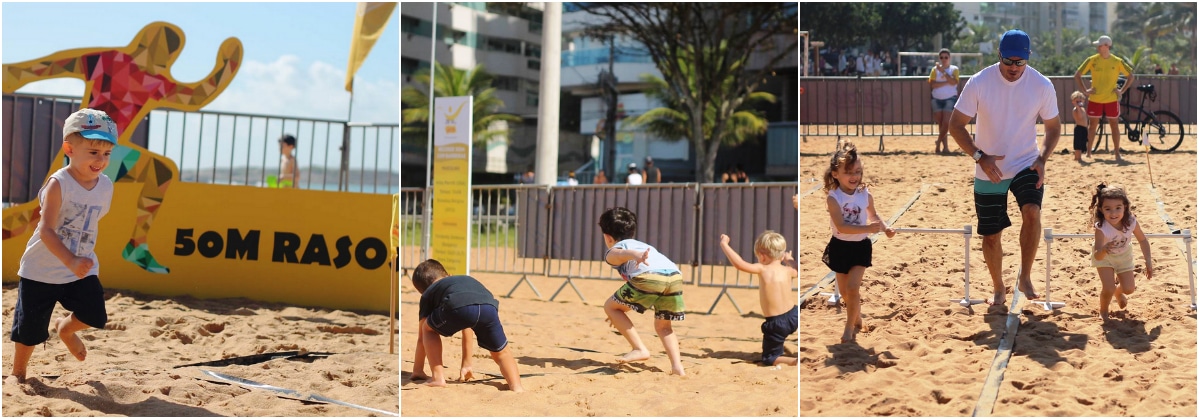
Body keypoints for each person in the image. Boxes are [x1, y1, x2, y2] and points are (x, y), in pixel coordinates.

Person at [2, 22, 243, 274]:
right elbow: (59, 65)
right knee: (37, 217)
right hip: (86, 151)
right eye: (165, 54)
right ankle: (136, 246)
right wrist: (18, 73)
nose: (164, 60)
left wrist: (226, 68)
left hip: (108, 155)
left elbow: (195, 97)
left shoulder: (149, 79)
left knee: (159, 174)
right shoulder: (112, 62)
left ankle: (137, 245)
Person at [949, 29, 1061, 308]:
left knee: (1032, 212)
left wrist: (1042, 159)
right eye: (1008, 61)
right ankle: (998, 288)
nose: (1013, 68)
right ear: (998, 55)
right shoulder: (980, 82)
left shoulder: (1041, 85)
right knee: (991, 234)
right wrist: (979, 156)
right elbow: (955, 125)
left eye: (1019, 62)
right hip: (989, 167)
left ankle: (1025, 276)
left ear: (1028, 58)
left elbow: (1053, 127)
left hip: (1026, 161)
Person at [9, 109, 118, 384]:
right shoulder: (59, 183)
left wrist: (76, 261)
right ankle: (18, 374)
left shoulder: (105, 186)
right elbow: (45, 230)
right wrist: (69, 259)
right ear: (69, 148)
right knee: (29, 330)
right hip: (40, 270)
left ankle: (65, 330)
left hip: (79, 268)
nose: (100, 160)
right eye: (93, 151)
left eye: (106, 154)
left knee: (95, 314)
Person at [409, 259, 524, 392]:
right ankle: (516, 386)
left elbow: (421, 338)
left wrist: (417, 370)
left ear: (423, 291)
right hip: (489, 306)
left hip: (457, 306)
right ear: (448, 275)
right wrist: (466, 364)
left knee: (427, 329)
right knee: (502, 352)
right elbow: (467, 325)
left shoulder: (428, 294)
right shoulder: (463, 280)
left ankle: (438, 378)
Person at [599, 206, 686, 375]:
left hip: (649, 277)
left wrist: (633, 255)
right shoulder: (644, 245)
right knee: (664, 327)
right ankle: (677, 367)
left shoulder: (615, 250)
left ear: (608, 237)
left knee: (610, 307)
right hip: (674, 276)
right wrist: (621, 310)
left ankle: (639, 349)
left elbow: (618, 254)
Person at [822, 141, 894, 343]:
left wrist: (886, 227)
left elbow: (873, 215)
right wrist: (868, 228)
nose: (854, 177)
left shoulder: (864, 194)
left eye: (858, 172)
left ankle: (848, 327)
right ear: (835, 174)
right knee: (845, 292)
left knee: (853, 288)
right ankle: (857, 316)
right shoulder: (833, 197)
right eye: (849, 172)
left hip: (860, 246)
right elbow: (842, 226)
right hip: (840, 246)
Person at [718, 231, 798, 366]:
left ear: (762, 256)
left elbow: (739, 264)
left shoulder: (762, 269)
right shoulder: (788, 270)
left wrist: (724, 244)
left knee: (770, 358)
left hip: (776, 323)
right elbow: (796, 268)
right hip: (794, 315)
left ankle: (796, 361)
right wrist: (788, 259)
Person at [1087, 184, 1152, 322]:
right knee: (1108, 287)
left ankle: (1118, 292)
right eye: (1108, 209)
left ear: (1125, 207)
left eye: (1118, 208)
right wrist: (1104, 249)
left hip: (1124, 255)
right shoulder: (1101, 227)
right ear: (1101, 210)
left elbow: (1143, 240)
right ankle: (1104, 311)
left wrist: (1148, 260)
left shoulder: (1131, 222)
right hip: (1105, 257)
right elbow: (1097, 255)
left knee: (1129, 289)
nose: (1113, 213)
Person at [1074, 35, 1134, 162]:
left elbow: (1131, 76)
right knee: (1092, 127)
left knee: (1114, 126)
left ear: (1107, 46)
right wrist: (1085, 91)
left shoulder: (1117, 61)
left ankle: (1117, 153)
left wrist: (1121, 91)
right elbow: (1077, 75)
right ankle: (1089, 152)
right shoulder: (1091, 60)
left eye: (1099, 45)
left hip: (1111, 99)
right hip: (1095, 99)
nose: (1097, 47)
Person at [928, 48, 961, 154]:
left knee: (946, 123)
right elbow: (932, 84)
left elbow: (954, 82)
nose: (944, 59)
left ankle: (938, 142)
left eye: (946, 57)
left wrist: (943, 72)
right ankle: (944, 147)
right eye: (941, 57)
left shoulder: (954, 69)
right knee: (941, 124)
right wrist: (946, 82)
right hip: (936, 98)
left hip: (950, 98)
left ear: (949, 58)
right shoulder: (934, 70)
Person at [1071, 91, 1090, 162]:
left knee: (1083, 143)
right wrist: (1078, 108)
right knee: (1078, 145)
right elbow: (1079, 117)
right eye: (1077, 101)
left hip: (1084, 128)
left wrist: (1087, 130)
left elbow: (1085, 119)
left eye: (1080, 100)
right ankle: (1077, 157)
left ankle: (1080, 157)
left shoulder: (1083, 109)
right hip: (1079, 128)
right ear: (1073, 102)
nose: (1079, 102)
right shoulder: (1075, 110)